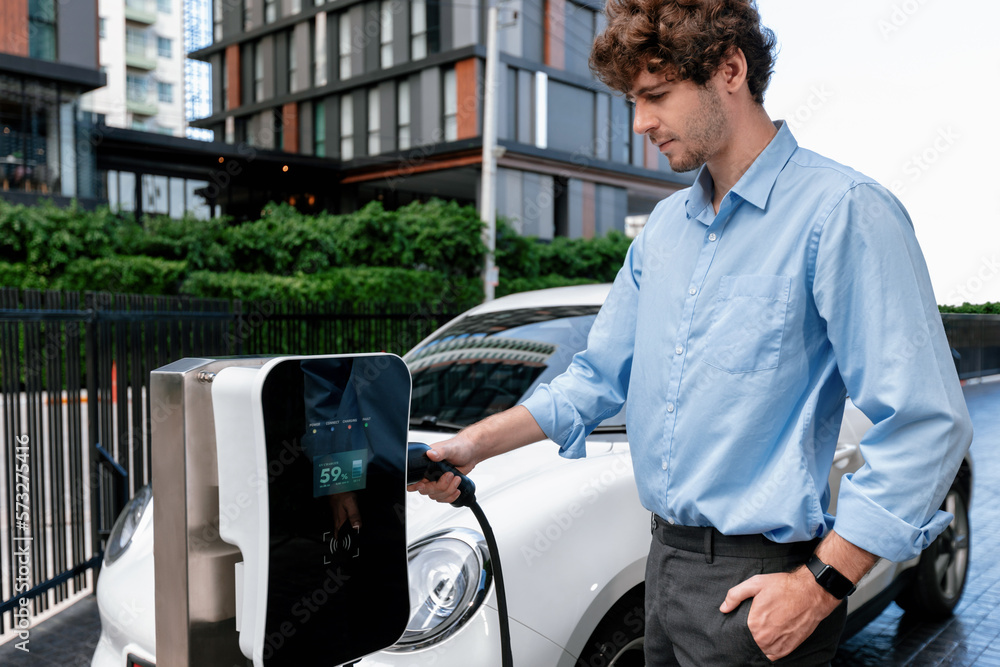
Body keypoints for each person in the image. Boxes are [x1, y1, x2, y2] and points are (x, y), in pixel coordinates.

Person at [408, 0, 973, 664]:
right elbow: (593, 378)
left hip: (760, 580)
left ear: (730, 69)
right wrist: (474, 443)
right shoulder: (665, 232)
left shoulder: (842, 212)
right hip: (662, 565)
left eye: (656, 95)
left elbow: (928, 419)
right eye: (633, 101)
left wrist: (822, 584)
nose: (641, 122)